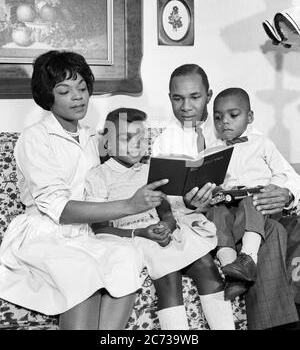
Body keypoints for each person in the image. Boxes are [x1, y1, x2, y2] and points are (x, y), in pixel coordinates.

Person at [0, 50, 169, 330]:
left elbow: (127, 163)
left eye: (82, 88)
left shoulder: (94, 136)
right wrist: (130, 205)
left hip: (86, 233)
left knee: (126, 257)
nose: (78, 97)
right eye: (65, 91)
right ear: (48, 96)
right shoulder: (35, 139)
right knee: (83, 270)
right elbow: (60, 210)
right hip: (45, 232)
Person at [152, 63, 299, 330]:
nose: (186, 106)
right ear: (169, 97)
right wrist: (189, 204)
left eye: (195, 97)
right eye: (177, 98)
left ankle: (245, 284)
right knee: (273, 230)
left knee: (273, 227)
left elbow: (284, 174)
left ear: (208, 95)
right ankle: (271, 317)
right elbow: (161, 197)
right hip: (201, 219)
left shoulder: (232, 123)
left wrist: (285, 193)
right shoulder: (164, 142)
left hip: (243, 210)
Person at [85, 107, 236, 330]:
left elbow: (165, 210)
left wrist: (167, 223)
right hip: (132, 237)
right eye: (127, 138)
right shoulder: (98, 176)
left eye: (141, 137)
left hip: (160, 229)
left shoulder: (150, 170)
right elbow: (99, 229)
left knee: (206, 264)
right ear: (107, 142)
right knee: (168, 274)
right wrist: (142, 232)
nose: (136, 143)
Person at [207, 87, 300, 300]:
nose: (225, 122)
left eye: (233, 115)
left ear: (249, 117)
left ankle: (248, 258)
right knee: (216, 213)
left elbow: (284, 174)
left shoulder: (262, 144)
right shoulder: (213, 150)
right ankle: (233, 272)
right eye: (218, 117)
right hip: (229, 203)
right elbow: (211, 182)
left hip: (257, 201)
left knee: (253, 201)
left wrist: (271, 188)